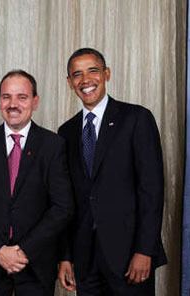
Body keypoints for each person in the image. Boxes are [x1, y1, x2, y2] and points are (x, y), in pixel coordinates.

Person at [57, 48, 167, 296]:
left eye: (93, 71)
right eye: (77, 74)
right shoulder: (66, 132)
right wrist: (66, 256)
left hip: (130, 256)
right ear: (69, 82)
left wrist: (144, 249)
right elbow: (66, 201)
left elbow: (152, 189)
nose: (85, 80)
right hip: (85, 259)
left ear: (106, 74)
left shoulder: (136, 118)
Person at [0, 70, 74, 295]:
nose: (13, 104)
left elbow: (63, 207)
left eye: (21, 97)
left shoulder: (53, 145)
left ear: (35, 101)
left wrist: (24, 251)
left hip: (35, 263)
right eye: (6, 97)